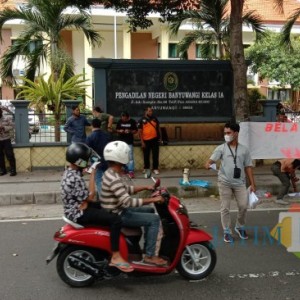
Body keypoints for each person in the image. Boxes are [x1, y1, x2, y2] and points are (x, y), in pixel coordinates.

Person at [61, 142, 133, 272]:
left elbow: (85, 197)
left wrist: (86, 201)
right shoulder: (74, 178)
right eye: (86, 159)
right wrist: (93, 173)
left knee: (105, 206)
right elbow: (91, 196)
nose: (88, 161)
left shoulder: (70, 171)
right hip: (78, 212)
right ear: (79, 161)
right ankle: (116, 255)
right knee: (115, 220)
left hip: (77, 207)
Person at [100, 140, 168, 266]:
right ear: (121, 157)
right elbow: (128, 201)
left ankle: (148, 246)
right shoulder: (114, 178)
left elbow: (126, 190)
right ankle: (150, 255)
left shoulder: (110, 173)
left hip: (118, 209)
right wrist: (153, 199)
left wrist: (146, 187)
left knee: (150, 210)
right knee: (154, 220)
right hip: (119, 214)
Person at [205, 122, 256, 243]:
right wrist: (208, 164)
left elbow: (248, 167)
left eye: (228, 133)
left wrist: (252, 184)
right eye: (225, 133)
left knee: (243, 206)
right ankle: (227, 231)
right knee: (225, 207)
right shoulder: (221, 148)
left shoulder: (244, 150)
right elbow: (210, 161)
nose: (226, 135)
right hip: (224, 182)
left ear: (236, 133)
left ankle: (239, 226)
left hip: (240, 183)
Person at [86, 118, 111, 194]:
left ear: (92, 125)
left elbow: (87, 151)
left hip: (96, 162)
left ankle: (103, 198)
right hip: (108, 161)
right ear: (100, 125)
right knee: (108, 180)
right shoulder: (107, 135)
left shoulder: (90, 137)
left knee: (99, 180)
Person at [138, 106, 162, 177]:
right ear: (145, 111)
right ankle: (146, 168)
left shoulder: (155, 119)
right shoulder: (141, 120)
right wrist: (142, 142)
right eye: (149, 111)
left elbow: (158, 128)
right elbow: (139, 132)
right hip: (146, 141)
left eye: (151, 111)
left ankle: (155, 168)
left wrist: (160, 137)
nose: (150, 112)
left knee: (155, 155)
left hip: (155, 140)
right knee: (146, 155)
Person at [116, 111, 138, 178]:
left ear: (127, 117)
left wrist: (130, 131)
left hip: (129, 142)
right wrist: (120, 131)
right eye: (122, 118)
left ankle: (131, 171)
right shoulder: (120, 121)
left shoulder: (132, 121)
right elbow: (117, 130)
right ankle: (125, 169)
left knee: (130, 157)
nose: (123, 119)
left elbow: (135, 131)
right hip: (121, 142)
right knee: (122, 156)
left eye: (124, 118)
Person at [0, 106, 16, 176]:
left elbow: (12, 126)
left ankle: (13, 170)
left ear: (1, 112)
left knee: (9, 155)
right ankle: (3, 170)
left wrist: (4, 128)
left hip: (6, 139)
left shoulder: (6, 118)